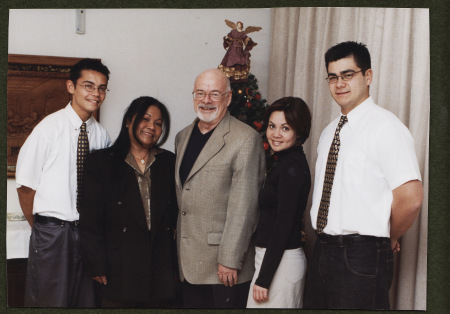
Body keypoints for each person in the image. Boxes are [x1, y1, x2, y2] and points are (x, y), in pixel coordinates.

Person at [303, 41, 423, 310]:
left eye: (348, 75)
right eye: (333, 77)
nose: (339, 83)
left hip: (361, 256)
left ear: (367, 76)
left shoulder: (386, 127)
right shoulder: (329, 131)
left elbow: (411, 198)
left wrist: (388, 236)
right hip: (322, 250)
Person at [15, 58, 111, 307]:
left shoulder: (101, 136)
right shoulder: (48, 128)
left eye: (102, 88)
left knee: (85, 300)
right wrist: (42, 228)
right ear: (71, 87)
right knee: (49, 301)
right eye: (88, 86)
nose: (96, 93)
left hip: (87, 234)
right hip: (52, 233)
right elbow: (26, 186)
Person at [175, 68, 266, 308]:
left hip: (222, 267)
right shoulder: (182, 136)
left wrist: (230, 259)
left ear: (228, 98)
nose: (206, 101)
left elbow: (245, 207)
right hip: (187, 262)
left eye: (214, 94)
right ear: (193, 96)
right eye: (200, 93)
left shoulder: (245, 139)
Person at [79, 96, 180, 308]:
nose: (151, 127)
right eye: (145, 119)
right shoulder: (102, 162)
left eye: (158, 123)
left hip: (160, 267)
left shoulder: (169, 162)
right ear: (128, 121)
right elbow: (90, 220)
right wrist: (97, 265)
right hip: (119, 266)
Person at [247, 97, 311, 308]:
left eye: (285, 128)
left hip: (281, 263)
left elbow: (284, 225)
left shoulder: (291, 168)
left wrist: (264, 279)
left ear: (298, 132)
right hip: (274, 260)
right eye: (272, 126)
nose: (276, 134)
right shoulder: (286, 162)